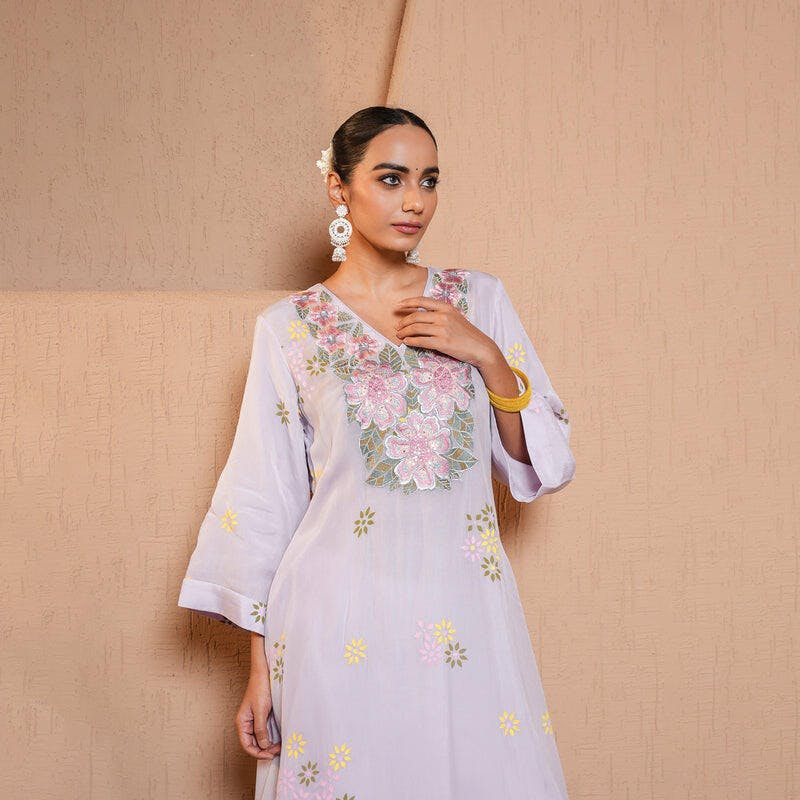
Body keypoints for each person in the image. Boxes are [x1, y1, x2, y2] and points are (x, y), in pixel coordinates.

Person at [177, 105, 576, 799]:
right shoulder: (290, 329)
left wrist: (486, 355)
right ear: (339, 187)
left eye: (429, 180)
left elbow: (539, 461)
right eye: (391, 179)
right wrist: (260, 668)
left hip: (463, 606)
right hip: (334, 617)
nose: (415, 201)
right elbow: (264, 497)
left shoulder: (477, 300)